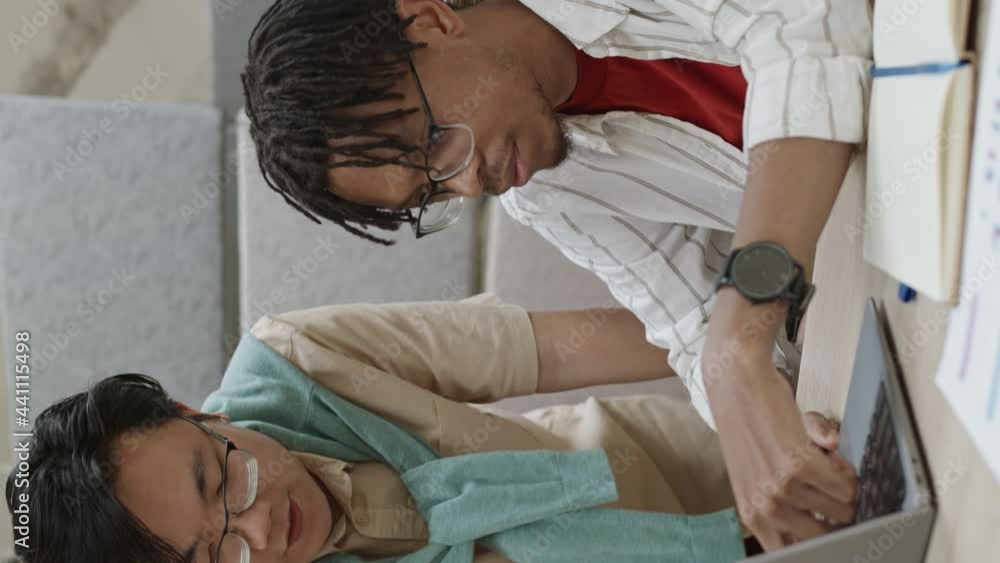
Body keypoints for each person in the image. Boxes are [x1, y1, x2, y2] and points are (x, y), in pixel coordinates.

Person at [240, 0, 869, 550]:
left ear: (430, 19)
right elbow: (689, 320)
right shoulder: (545, 193)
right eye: (432, 193)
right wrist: (773, 423)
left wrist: (738, 344)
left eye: (433, 143)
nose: (468, 182)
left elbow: (805, 25)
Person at [6, 295, 847, 563]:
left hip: (682, 468)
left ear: (200, 413)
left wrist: (753, 381)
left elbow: (550, 348)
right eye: (214, 557)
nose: (259, 527)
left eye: (221, 476)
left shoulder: (295, 358)